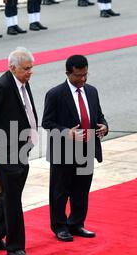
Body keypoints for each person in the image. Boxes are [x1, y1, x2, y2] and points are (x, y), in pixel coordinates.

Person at [0, 47, 38, 255]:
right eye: (26, 69)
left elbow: (27, 110)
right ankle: (15, 247)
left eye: (31, 68)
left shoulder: (22, 82)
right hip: (7, 152)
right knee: (13, 200)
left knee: (8, 195)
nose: (30, 72)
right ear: (12, 68)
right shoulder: (2, 87)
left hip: (22, 149)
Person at [42, 55, 108, 242]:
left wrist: (104, 126)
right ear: (68, 73)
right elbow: (47, 122)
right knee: (60, 192)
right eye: (78, 76)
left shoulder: (92, 91)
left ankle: (77, 223)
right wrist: (65, 132)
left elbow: (99, 116)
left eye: (85, 75)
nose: (83, 79)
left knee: (81, 190)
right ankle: (60, 226)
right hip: (63, 152)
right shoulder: (55, 94)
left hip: (86, 149)